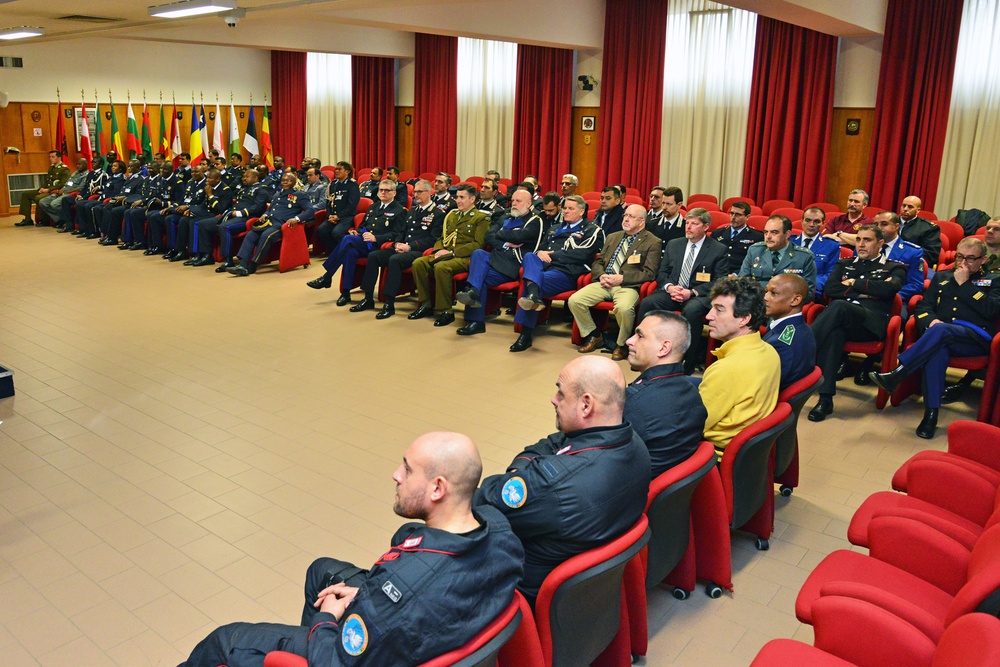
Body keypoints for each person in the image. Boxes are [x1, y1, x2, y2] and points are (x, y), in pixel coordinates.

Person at [179, 432, 524, 667]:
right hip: (435, 619)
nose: (396, 475)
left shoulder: (400, 594)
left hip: (372, 643)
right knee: (322, 571)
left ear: (437, 488)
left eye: (407, 468)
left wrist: (328, 617)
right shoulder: (500, 531)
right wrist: (368, 593)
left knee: (225, 640)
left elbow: (337, 660)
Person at [475, 356, 649, 604]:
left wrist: (518, 477)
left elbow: (484, 499)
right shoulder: (633, 443)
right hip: (589, 594)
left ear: (586, 405)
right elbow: (554, 442)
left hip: (525, 592)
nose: (553, 399)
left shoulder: (553, 485)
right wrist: (522, 471)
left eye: (561, 392)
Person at [871, 237, 1000, 439]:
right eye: (959, 257)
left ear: (983, 260)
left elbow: (992, 310)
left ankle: (898, 372)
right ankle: (931, 415)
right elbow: (923, 306)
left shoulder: (994, 280)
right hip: (940, 337)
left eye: (970, 259)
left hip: (975, 340)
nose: (963, 263)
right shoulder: (942, 277)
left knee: (941, 333)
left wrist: (966, 285)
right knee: (937, 350)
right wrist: (930, 321)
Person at [807, 225, 906, 421]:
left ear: (880, 244)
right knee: (835, 333)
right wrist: (868, 291)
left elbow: (889, 290)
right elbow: (830, 289)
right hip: (840, 321)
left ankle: (802, 349)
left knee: (838, 306)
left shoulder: (894, 267)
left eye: (867, 240)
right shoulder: (845, 263)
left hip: (869, 325)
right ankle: (825, 400)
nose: (861, 244)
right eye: (858, 239)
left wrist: (853, 283)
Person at [508, 195, 605, 352]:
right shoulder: (554, 228)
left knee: (531, 282)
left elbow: (582, 255)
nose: (566, 211)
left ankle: (525, 334)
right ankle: (533, 296)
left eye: (570, 209)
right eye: (565, 208)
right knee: (530, 256)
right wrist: (540, 252)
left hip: (567, 273)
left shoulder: (592, 231)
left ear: (581, 211)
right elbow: (541, 247)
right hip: (545, 270)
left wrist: (552, 255)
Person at [638, 208, 728, 374]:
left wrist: (692, 292)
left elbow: (719, 281)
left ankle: (687, 361)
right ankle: (642, 349)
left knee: (692, 310)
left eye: (694, 224)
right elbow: (662, 273)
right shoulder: (674, 244)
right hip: (673, 290)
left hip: (697, 295)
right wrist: (670, 287)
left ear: (706, 227)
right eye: (687, 223)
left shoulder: (717, 249)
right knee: (647, 303)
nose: (689, 227)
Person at [700, 276, 780, 459]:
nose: (708, 316)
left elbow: (691, 427)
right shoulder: (769, 351)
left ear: (744, 318)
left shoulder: (726, 369)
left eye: (719, 310)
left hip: (713, 456)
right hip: (746, 457)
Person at [570, 204, 662, 360]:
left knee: (624, 308)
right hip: (605, 282)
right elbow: (598, 261)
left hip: (627, 286)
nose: (625, 219)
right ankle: (594, 335)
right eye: (625, 215)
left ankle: (622, 344)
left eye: (631, 217)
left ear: (641, 221)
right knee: (575, 300)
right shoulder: (614, 236)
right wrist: (601, 276)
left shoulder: (652, 242)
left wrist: (622, 278)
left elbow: (649, 273)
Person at [624, 311, 707, 478]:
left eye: (640, 336)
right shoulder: (692, 391)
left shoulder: (634, 402)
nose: (629, 341)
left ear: (663, 348)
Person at [454, 189, 545, 336]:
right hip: (495, 259)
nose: (514, 204)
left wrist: (501, 234)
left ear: (529, 204)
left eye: (518, 201)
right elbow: (488, 237)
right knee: (478, 254)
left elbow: (522, 235)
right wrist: (505, 243)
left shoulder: (535, 220)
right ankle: (475, 307)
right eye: (513, 201)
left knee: (479, 278)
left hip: (511, 265)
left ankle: (475, 318)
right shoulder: (506, 216)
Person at [352, 180, 445, 319]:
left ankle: (389, 304)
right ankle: (368, 298)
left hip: (419, 251)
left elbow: (434, 239)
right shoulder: (412, 211)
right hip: (402, 247)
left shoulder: (437, 214)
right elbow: (401, 232)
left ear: (429, 193)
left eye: (420, 192)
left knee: (394, 260)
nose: (416, 195)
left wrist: (409, 246)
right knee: (374, 256)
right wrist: (397, 244)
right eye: (415, 192)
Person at [307, 179, 407, 301]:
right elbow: (363, 225)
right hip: (363, 242)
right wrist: (357, 232)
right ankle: (345, 293)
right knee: (349, 251)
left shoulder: (399, 210)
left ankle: (327, 276)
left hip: (379, 246)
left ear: (394, 193)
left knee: (347, 239)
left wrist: (376, 238)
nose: (383, 192)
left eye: (387, 190)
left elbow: (398, 234)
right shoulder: (373, 207)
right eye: (381, 190)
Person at [408, 184, 490, 327]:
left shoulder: (480, 218)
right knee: (418, 263)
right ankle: (426, 304)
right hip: (446, 253)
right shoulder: (452, 215)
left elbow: (478, 244)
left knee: (442, 267)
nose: (458, 200)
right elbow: (441, 237)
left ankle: (446, 311)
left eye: (462, 197)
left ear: (472, 199)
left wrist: (452, 252)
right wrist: (438, 250)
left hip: (464, 257)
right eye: (457, 197)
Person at [226, 172, 318, 277]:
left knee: (266, 235)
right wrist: (265, 214)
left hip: (282, 225)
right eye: (283, 180)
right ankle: (242, 265)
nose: (285, 182)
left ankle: (254, 265)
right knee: (251, 234)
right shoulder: (277, 195)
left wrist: (297, 218)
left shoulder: (300, 195)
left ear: (294, 182)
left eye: (289, 180)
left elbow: (310, 211)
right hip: (269, 222)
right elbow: (269, 209)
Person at [194, 168, 270, 268]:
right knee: (203, 224)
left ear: (255, 178)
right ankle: (207, 255)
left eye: (247, 177)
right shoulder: (243, 189)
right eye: (244, 176)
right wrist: (228, 212)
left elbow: (257, 207)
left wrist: (239, 213)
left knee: (224, 227)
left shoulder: (262, 189)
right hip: (232, 215)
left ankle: (228, 259)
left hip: (247, 218)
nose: (244, 178)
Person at [739, 214, 817, 300]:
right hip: (757, 303)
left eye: (774, 232)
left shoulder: (804, 256)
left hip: (787, 308)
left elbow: (808, 293)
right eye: (766, 232)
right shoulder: (755, 250)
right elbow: (742, 283)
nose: (768, 237)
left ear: (787, 234)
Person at [762, 274, 816, 392]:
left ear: (795, 300)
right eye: (766, 291)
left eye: (774, 293)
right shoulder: (803, 329)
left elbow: (764, 387)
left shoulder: (781, 343)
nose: (765, 297)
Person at [790, 207, 840, 299]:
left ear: (823, 224)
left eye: (816, 221)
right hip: (787, 287)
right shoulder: (789, 242)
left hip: (812, 291)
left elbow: (830, 274)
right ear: (802, 221)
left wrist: (807, 285)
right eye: (808, 220)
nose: (811, 224)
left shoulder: (831, 246)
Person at [315, 161, 361, 255]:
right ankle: (335, 251)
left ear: (347, 172)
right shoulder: (333, 184)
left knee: (336, 233)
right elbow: (329, 201)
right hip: (333, 216)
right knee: (321, 231)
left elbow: (351, 206)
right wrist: (329, 216)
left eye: (340, 169)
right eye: (336, 169)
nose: (336, 171)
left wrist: (338, 216)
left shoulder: (352, 185)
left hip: (347, 216)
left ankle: (346, 252)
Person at [16, 150, 71, 226]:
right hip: (46, 189)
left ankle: (44, 221)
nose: (51, 159)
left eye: (53, 157)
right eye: (50, 157)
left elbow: (62, 184)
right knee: (26, 194)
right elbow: (47, 181)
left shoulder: (64, 169)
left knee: (39, 198)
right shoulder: (51, 167)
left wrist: (48, 190)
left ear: (59, 158)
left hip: (54, 191)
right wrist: (41, 189)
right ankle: (27, 219)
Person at [711, 201, 763, 275]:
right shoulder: (717, 233)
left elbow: (755, 262)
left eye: (738, 215)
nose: (733, 217)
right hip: (717, 275)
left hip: (741, 277)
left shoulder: (757, 237)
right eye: (731, 213)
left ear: (747, 217)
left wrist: (736, 274)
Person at [37, 158, 88, 228]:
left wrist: (65, 192)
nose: (78, 166)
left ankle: (67, 220)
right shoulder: (75, 173)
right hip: (63, 192)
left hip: (71, 194)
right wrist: (60, 190)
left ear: (86, 164)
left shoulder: (86, 175)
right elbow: (67, 184)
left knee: (54, 204)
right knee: (43, 202)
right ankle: (60, 219)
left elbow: (80, 188)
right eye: (77, 164)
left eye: (80, 164)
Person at [898, 195, 942, 268]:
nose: (905, 209)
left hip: (914, 265)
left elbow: (930, 254)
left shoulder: (928, 228)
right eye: (903, 206)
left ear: (918, 210)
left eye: (910, 207)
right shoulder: (890, 223)